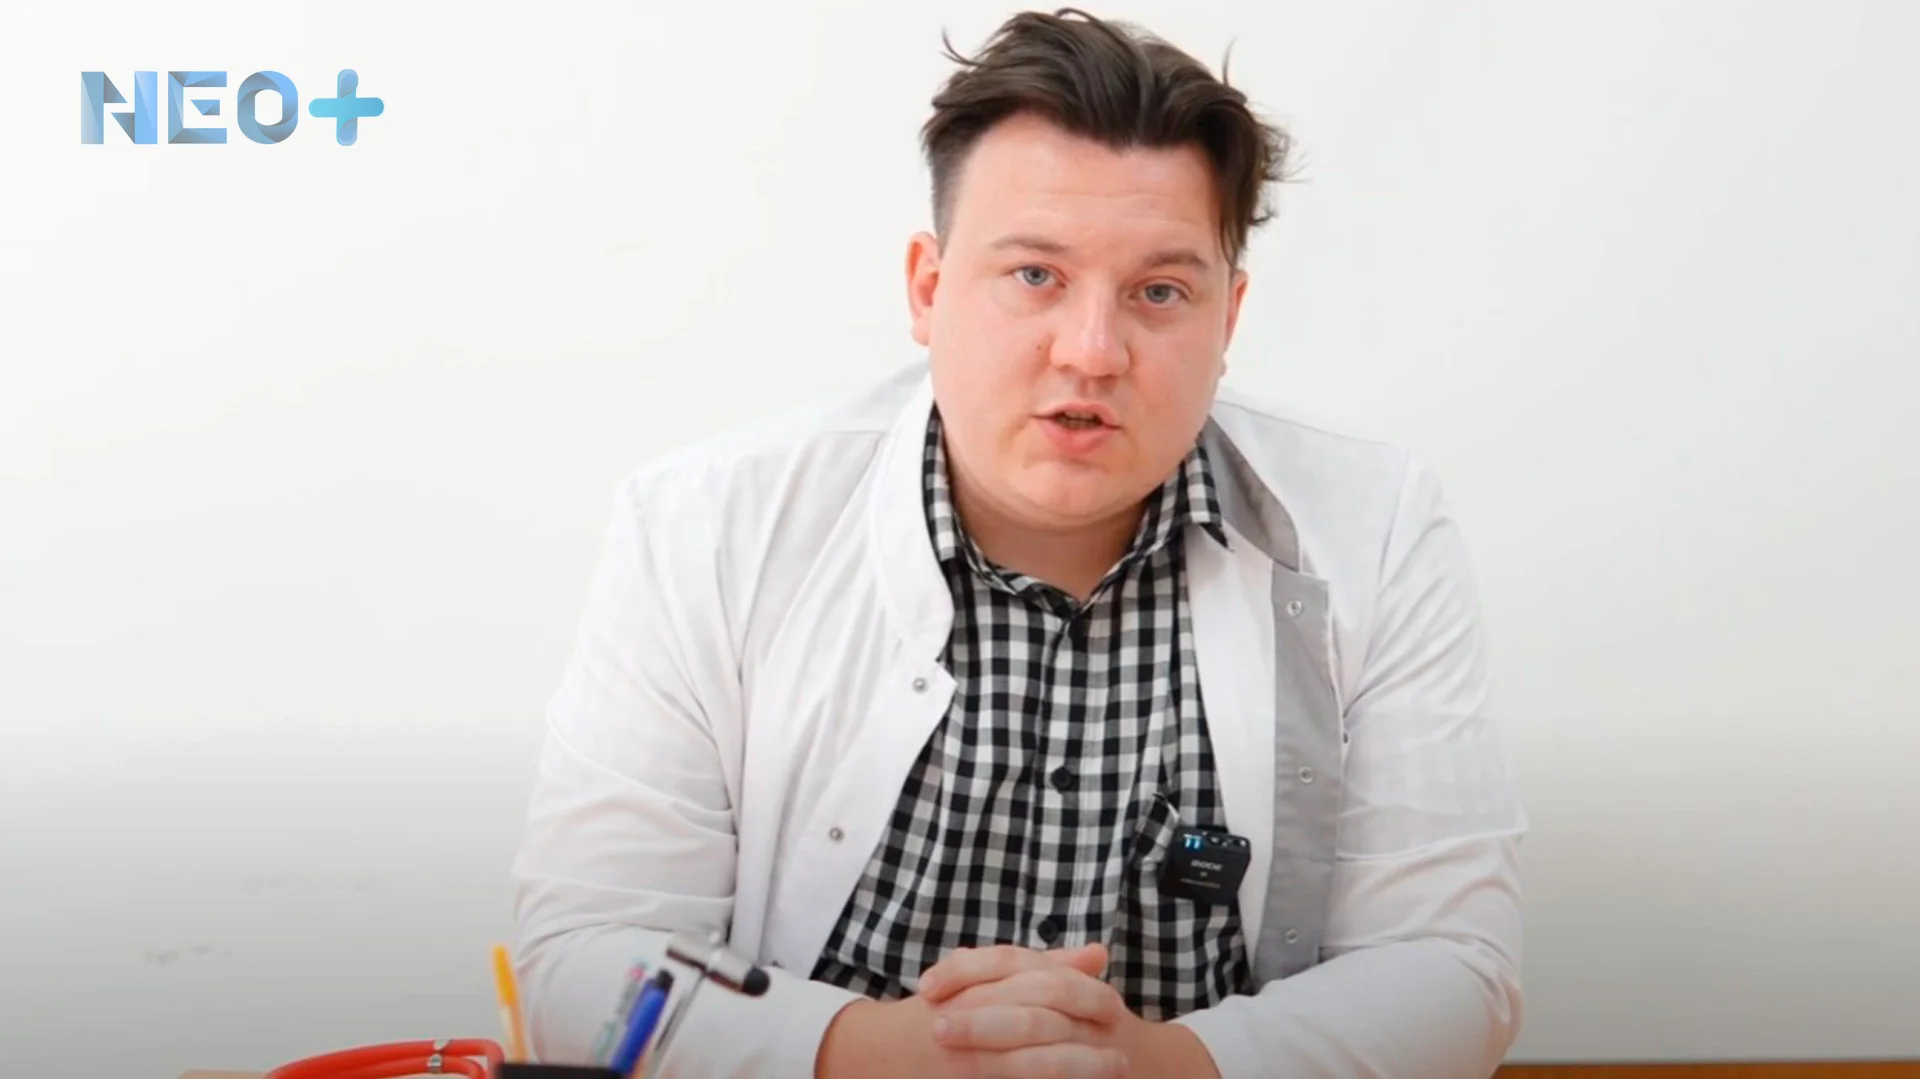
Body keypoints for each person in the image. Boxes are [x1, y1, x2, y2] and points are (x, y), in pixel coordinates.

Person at [510, 8, 1526, 1078]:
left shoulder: (1375, 526)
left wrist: (1158, 1064)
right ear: (929, 288)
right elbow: (586, 959)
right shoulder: (706, 523)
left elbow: (1451, 966)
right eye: (1036, 275)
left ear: (1227, 319)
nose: (1091, 352)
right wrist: (887, 1053)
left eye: (1160, 292)